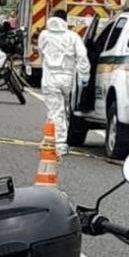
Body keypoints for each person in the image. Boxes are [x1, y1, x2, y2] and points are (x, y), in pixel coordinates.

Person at [37, 10, 90, 159]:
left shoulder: (44, 35)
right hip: (68, 79)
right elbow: (82, 56)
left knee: (54, 110)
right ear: (65, 20)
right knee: (64, 110)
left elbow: (41, 52)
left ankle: (59, 144)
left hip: (50, 78)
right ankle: (50, 139)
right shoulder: (73, 37)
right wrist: (84, 76)